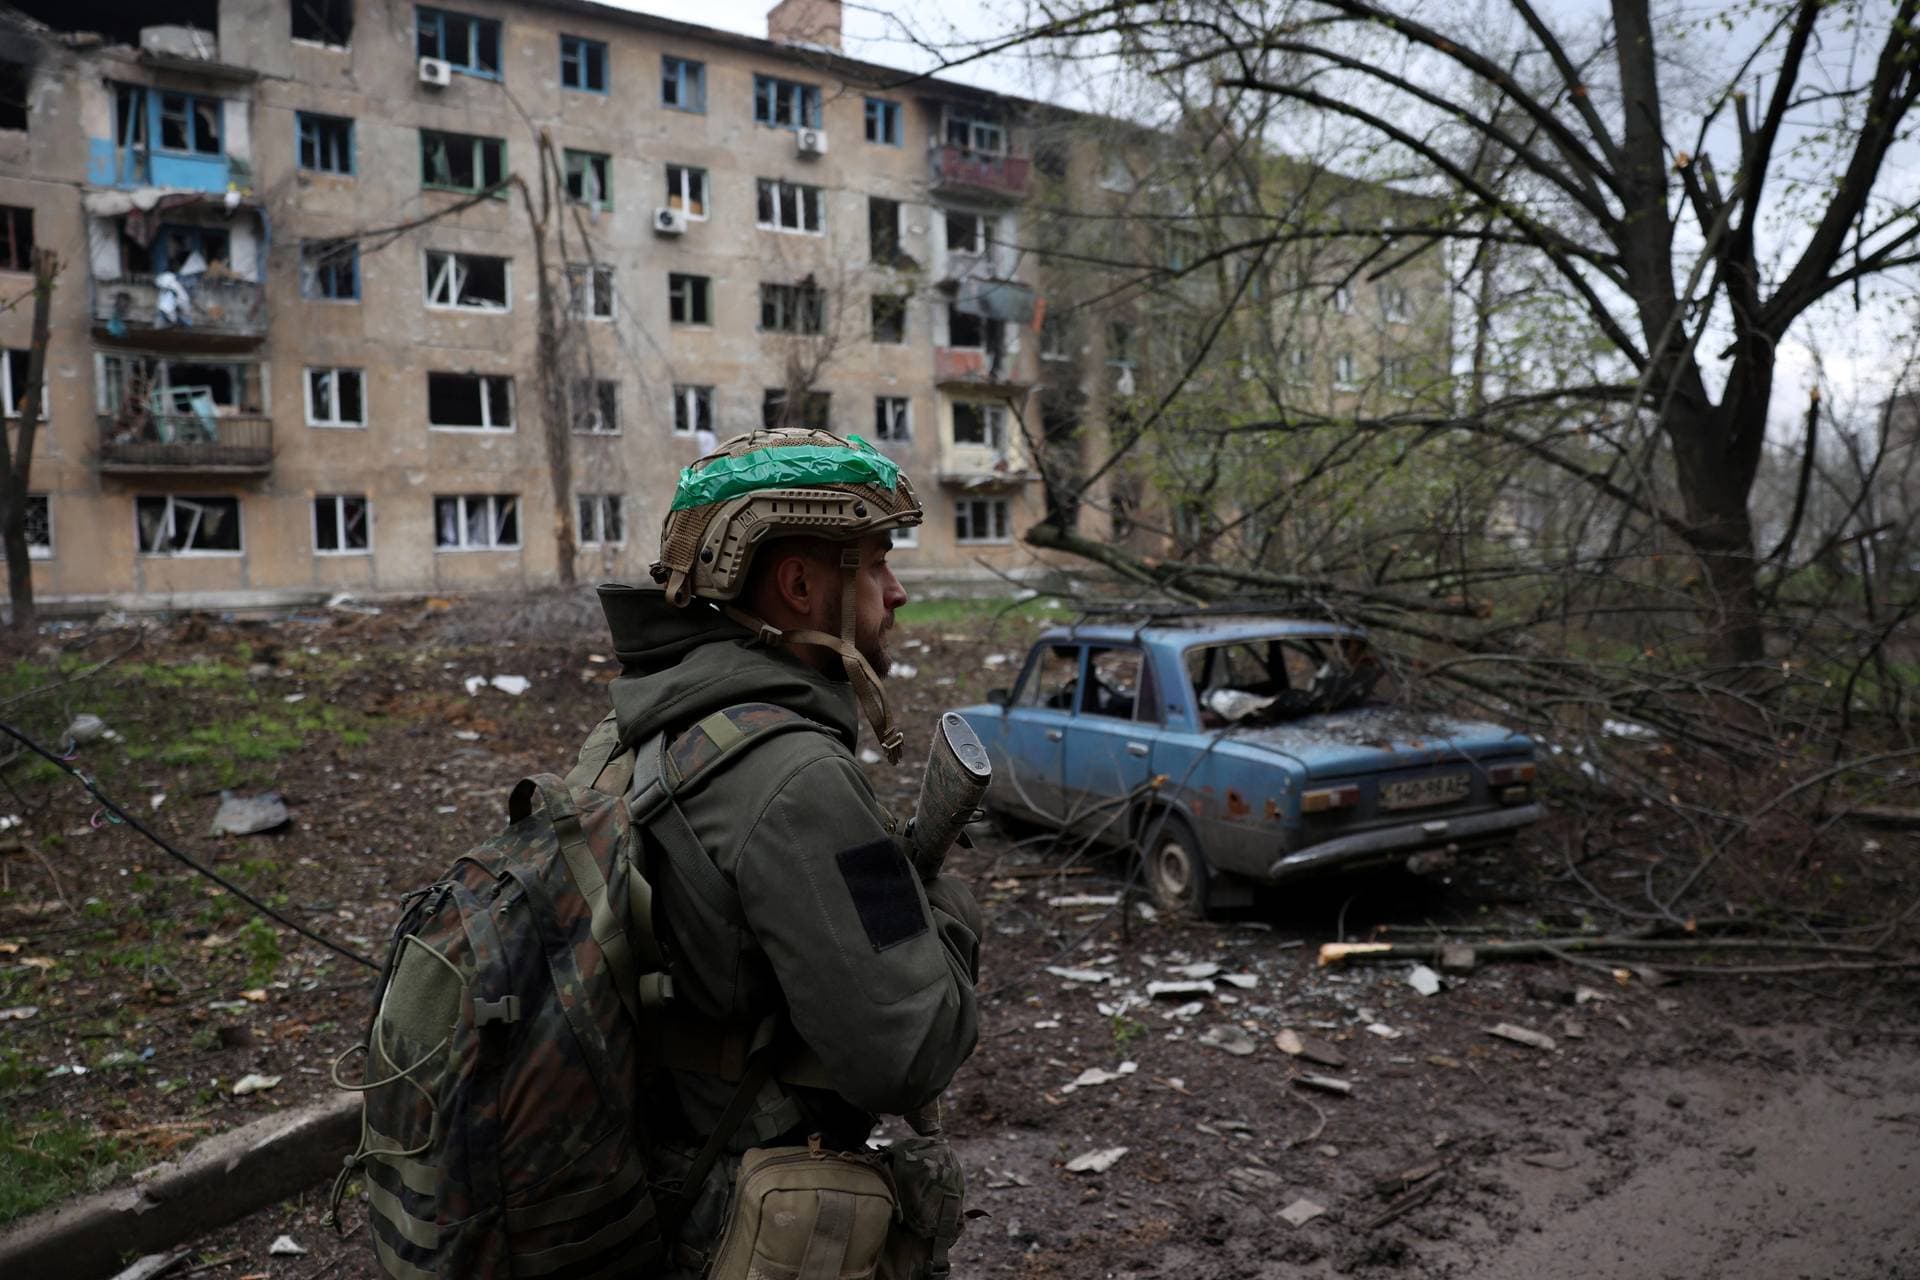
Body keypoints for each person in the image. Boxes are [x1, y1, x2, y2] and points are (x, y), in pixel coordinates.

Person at [567, 427, 983, 1275]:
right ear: (799, 585)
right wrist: (944, 896)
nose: (896, 591)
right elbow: (908, 1054)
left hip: (631, 1178)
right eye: (872, 563)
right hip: (729, 1219)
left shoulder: (640, 725)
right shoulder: (795, 779)